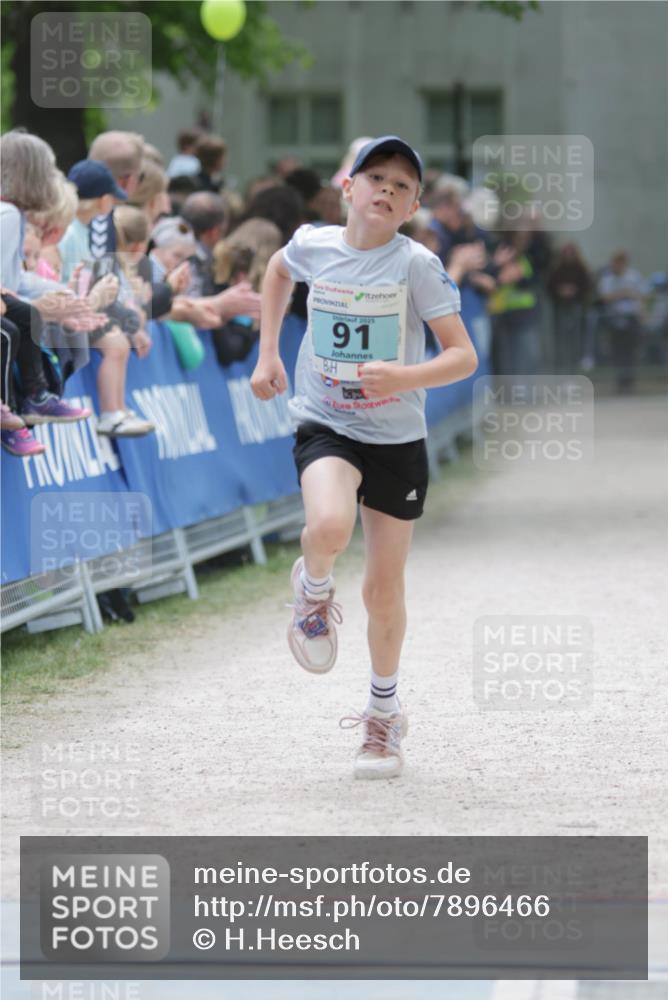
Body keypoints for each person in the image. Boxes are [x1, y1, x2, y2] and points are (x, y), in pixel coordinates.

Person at [250, 136, 478, 779]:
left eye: (401, 186)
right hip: (326, 421)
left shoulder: (417, 266)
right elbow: (276, 271)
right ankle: (313, 589)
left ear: (411, 207)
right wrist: (268, 353)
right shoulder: (313, 244)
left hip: (396, 438)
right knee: (327, 527)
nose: (385, 189)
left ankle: (383, 717)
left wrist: (403, 379)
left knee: (383, 589)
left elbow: (463, 356)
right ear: (347, 187)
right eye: (374, 176)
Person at [597, 250, 648, 392]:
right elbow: (605, 297)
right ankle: (619, 381)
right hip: (613, 319)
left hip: (631, 318)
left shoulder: (634, 277)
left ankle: (630, 382)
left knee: (630, 350)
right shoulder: (607, 279)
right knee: (616, 350)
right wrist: (623, 293)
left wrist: (640, 309)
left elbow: (642, 295)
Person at [546, 242, 592, 372]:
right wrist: (560, 291)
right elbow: (550, 287)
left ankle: (575, 366)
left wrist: (574, 291)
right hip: (560, 307)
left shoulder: (581, 269)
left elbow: (586, 286)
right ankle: (562, 367)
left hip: (575, 306)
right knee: (561, 339)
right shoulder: (556, 270)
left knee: (575, 338)